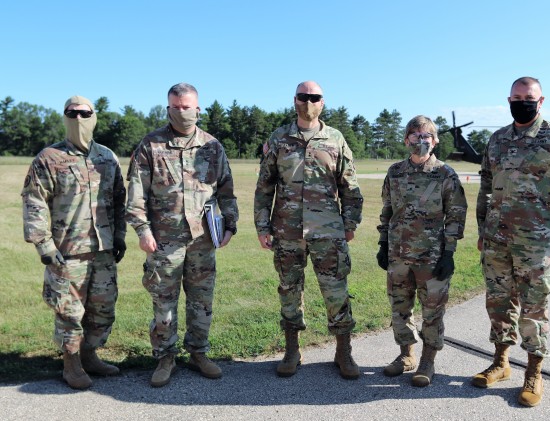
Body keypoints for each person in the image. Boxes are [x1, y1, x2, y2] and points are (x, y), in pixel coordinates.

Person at [472, 77, 550, 407]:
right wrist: (483, 230)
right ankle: (501, 362)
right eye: (517, 97)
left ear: (541, 101)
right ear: (508, 99)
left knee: (534, 309)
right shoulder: (497, 140)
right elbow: (486, 189)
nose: (522, 101)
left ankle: (534, 372)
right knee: (498, 302)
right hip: (496, 239)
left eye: (529, 97)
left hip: (535, 242)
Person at [126, 83, 238, 387]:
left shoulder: (212, 147)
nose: (181, 111)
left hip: (202, 239)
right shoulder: (150, 146)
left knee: (202, 301)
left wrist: (230, 224)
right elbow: (135, 195)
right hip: (164, 241)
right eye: (175, 106)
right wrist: (142, 231)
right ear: (168, 108)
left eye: (186, 106)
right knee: (163, 302)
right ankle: (165, 357)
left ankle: (199, 352)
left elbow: (226, 191)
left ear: (198, 109)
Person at [254, 81, 364, 379]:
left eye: (314, 97)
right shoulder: (279, 138)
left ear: (322, 103)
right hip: (286, 231)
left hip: (328, 231)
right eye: (303, 97)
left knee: (336, 291)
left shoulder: (335, 139)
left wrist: (350, 224)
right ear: (295, 100)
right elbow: (264, 187)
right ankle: (292, 350)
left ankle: (344, 352)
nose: (308, 102)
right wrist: (262, 226)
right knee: (289, 290)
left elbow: (350, 186)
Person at [21, 95, 126, 390]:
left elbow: (119, 199)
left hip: (103, 249)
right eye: (72, 113)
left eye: (84, 113)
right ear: (65, 116)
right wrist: (44, 246)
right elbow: (34, 202)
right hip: (66, 252)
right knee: (69, 311)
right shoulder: (49, 158)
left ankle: (89, 355)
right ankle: (71, 363)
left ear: (93, 116)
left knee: (103, 308)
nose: (78, 118)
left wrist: (119, 236)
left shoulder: (107, 157)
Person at [376, 115, 467, 387]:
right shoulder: (395, 172)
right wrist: (383, 244)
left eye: (426, 136)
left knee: (432, 311)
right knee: (399, 308)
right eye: (415, 136)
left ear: (435, 140)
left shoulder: (445, 174)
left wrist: (449, 253)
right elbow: (387, 210)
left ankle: (428, 361)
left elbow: (456, 215)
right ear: (406, 140)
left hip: (432, 257)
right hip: (398, 254)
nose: (421, 140)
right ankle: (406, 355)